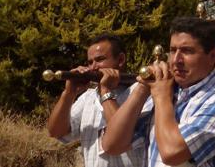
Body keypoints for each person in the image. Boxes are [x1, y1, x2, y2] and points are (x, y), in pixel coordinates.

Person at [102, 17, 215, 167]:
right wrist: (142, 89)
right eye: (172, 50)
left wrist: (162, 97)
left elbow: (171, 152)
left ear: (212, 56)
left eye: (187, 51)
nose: (176, 60)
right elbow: (112, 145)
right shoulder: (165, 88)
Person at [46, 33, 152, 167]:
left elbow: (120, 138)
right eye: (90, 62)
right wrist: (69, 93)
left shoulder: (141, 92)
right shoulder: (88, 97)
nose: (94, 67)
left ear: (120, 59)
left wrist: (106, 91)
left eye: (100, 59)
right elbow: (55, 131)